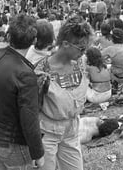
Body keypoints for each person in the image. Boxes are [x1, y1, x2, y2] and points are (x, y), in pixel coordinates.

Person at [0, 14, 45, 170]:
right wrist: (38, 153)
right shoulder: (24, 73)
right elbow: (29, 118)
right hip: (10, 143)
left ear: (8, 35)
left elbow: (0, 84)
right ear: (34, 41)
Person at [34, 15, 92, 170]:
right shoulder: (42, 70)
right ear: (65, 44)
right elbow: (31, 106)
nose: (83, 52)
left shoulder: (80, 63)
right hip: (47, 132)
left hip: (72, 129)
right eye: (81, 48)